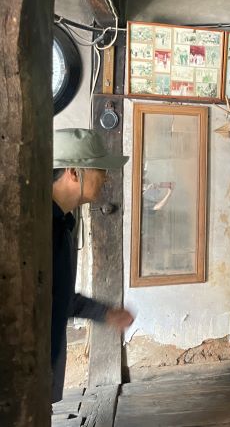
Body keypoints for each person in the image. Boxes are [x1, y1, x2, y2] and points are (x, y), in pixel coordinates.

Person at [52, 128, 134, 403]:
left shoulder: (63, 224)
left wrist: (104, 313)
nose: (106, 177)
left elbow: (56, 296)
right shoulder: (37, 228)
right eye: (100, 169)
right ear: (74, 173)